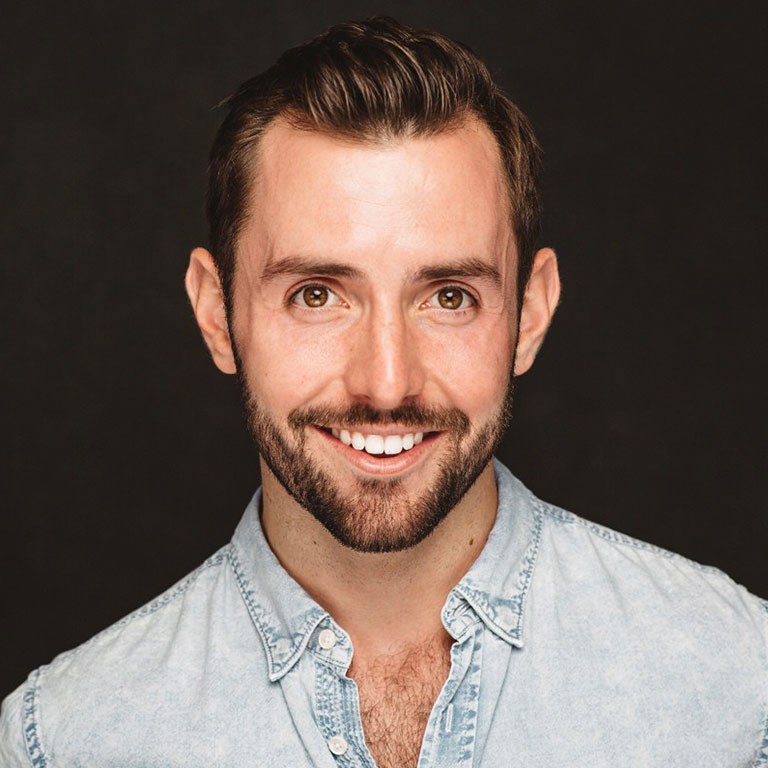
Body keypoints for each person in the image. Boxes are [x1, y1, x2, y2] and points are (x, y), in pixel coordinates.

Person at [1, 16, 766, 768]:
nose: (387, 383)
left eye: (449, 296)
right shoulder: (63, 741)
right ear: (215, 311)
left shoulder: (739, 688)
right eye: (316, 295)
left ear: (530, 315)